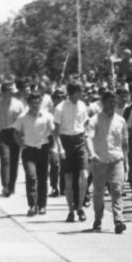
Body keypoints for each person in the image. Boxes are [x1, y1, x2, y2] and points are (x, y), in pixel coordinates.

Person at [86, 90, 128, 234]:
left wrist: (126, 162)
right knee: (98, 193)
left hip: (117, 160)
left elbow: (124, 142)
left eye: (114, 101)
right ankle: (98, 219)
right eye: (110, 101)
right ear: (103, 102)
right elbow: (88, 138)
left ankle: (119, 220)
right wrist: (92, 154)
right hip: (100, 161)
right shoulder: (95, 120)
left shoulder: (120, 120)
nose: (113, 104)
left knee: (117, 190)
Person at [54, 82, 91, 223]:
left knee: (84, 176)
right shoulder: (60, 108)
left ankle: (80, 207)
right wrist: (60, 148)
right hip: (65, 141)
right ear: (71, 93)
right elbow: (56, 131)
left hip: (80, 140)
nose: (80, 95)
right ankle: (71, 210)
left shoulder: (82, 105)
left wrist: (87, 144)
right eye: (78, 92)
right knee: (68, 180)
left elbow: (85, 125)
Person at [16, 91, 56, 216]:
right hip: (29, 150)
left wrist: (53, 148)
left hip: (43, 149)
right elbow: (16, 132)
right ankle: (32, 205)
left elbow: (53, 133)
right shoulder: (22, 118)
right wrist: (22, 145)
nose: (35, 105)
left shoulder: (47, 116)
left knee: (43, 179)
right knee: (31, 177)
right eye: (32, 102)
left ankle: (42, 205)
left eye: (37, 102)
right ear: (28, 103)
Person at [0, 79, 25, 197]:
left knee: (14, 161)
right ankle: (5, 186)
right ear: (4, 92)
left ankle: (11, 186)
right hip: (2, 133)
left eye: (13, 92)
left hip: (15, 133)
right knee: (5, 159)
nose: (12, 94)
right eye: (10, 91)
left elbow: (23, 120)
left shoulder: (18, 104)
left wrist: (23, 135)